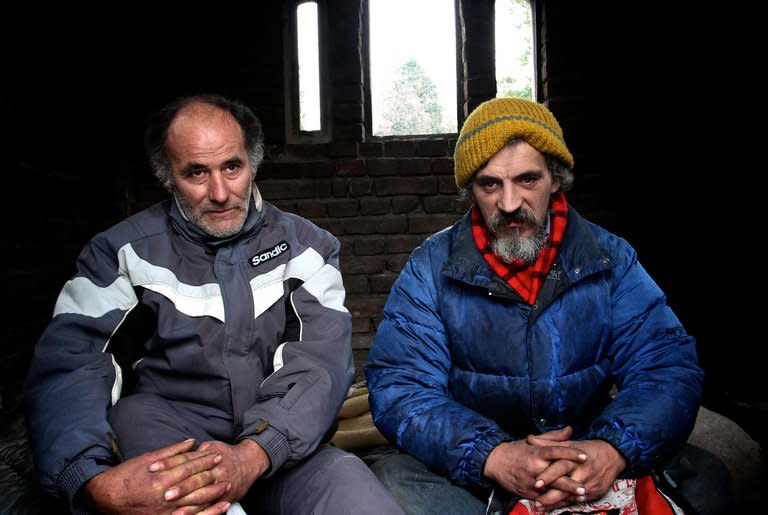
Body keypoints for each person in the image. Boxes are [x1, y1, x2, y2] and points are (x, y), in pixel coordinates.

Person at [23, 93, 405, 515]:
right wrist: (89, 480)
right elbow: (70, 365)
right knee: (134, 417)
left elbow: (320, 365)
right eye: (196, 173)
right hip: (170, 436)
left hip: (285, 448)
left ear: (253, 163)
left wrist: (252, 455)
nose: (220, 192)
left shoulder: (307, 248)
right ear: (167, 177)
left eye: (232, 167)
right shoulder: (120, 254)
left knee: (355, 491)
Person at [364, 97, 730, 514]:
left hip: (586, 452)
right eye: (490, 185)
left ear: (555, 179)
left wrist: (609, 450)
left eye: (526, 180)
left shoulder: (610, 258)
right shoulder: (430, 266)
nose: (508, 203)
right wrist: (495, 456)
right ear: (472, 189)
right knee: (389, 483)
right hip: (479, 471)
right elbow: (400, 385)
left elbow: (667, 364)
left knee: (708, 477)